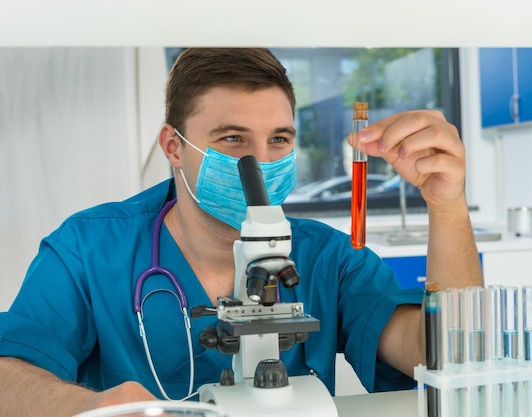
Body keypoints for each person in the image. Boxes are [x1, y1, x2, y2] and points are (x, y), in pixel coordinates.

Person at [0, 48, 483, 416]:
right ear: (173, 146)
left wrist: (448, 207)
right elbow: (7, 376)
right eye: (233, 138)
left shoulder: (329, 256)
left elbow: (449, 355)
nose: (261, 161)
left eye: (279, 139)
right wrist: (94, 407)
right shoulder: (89, 249)